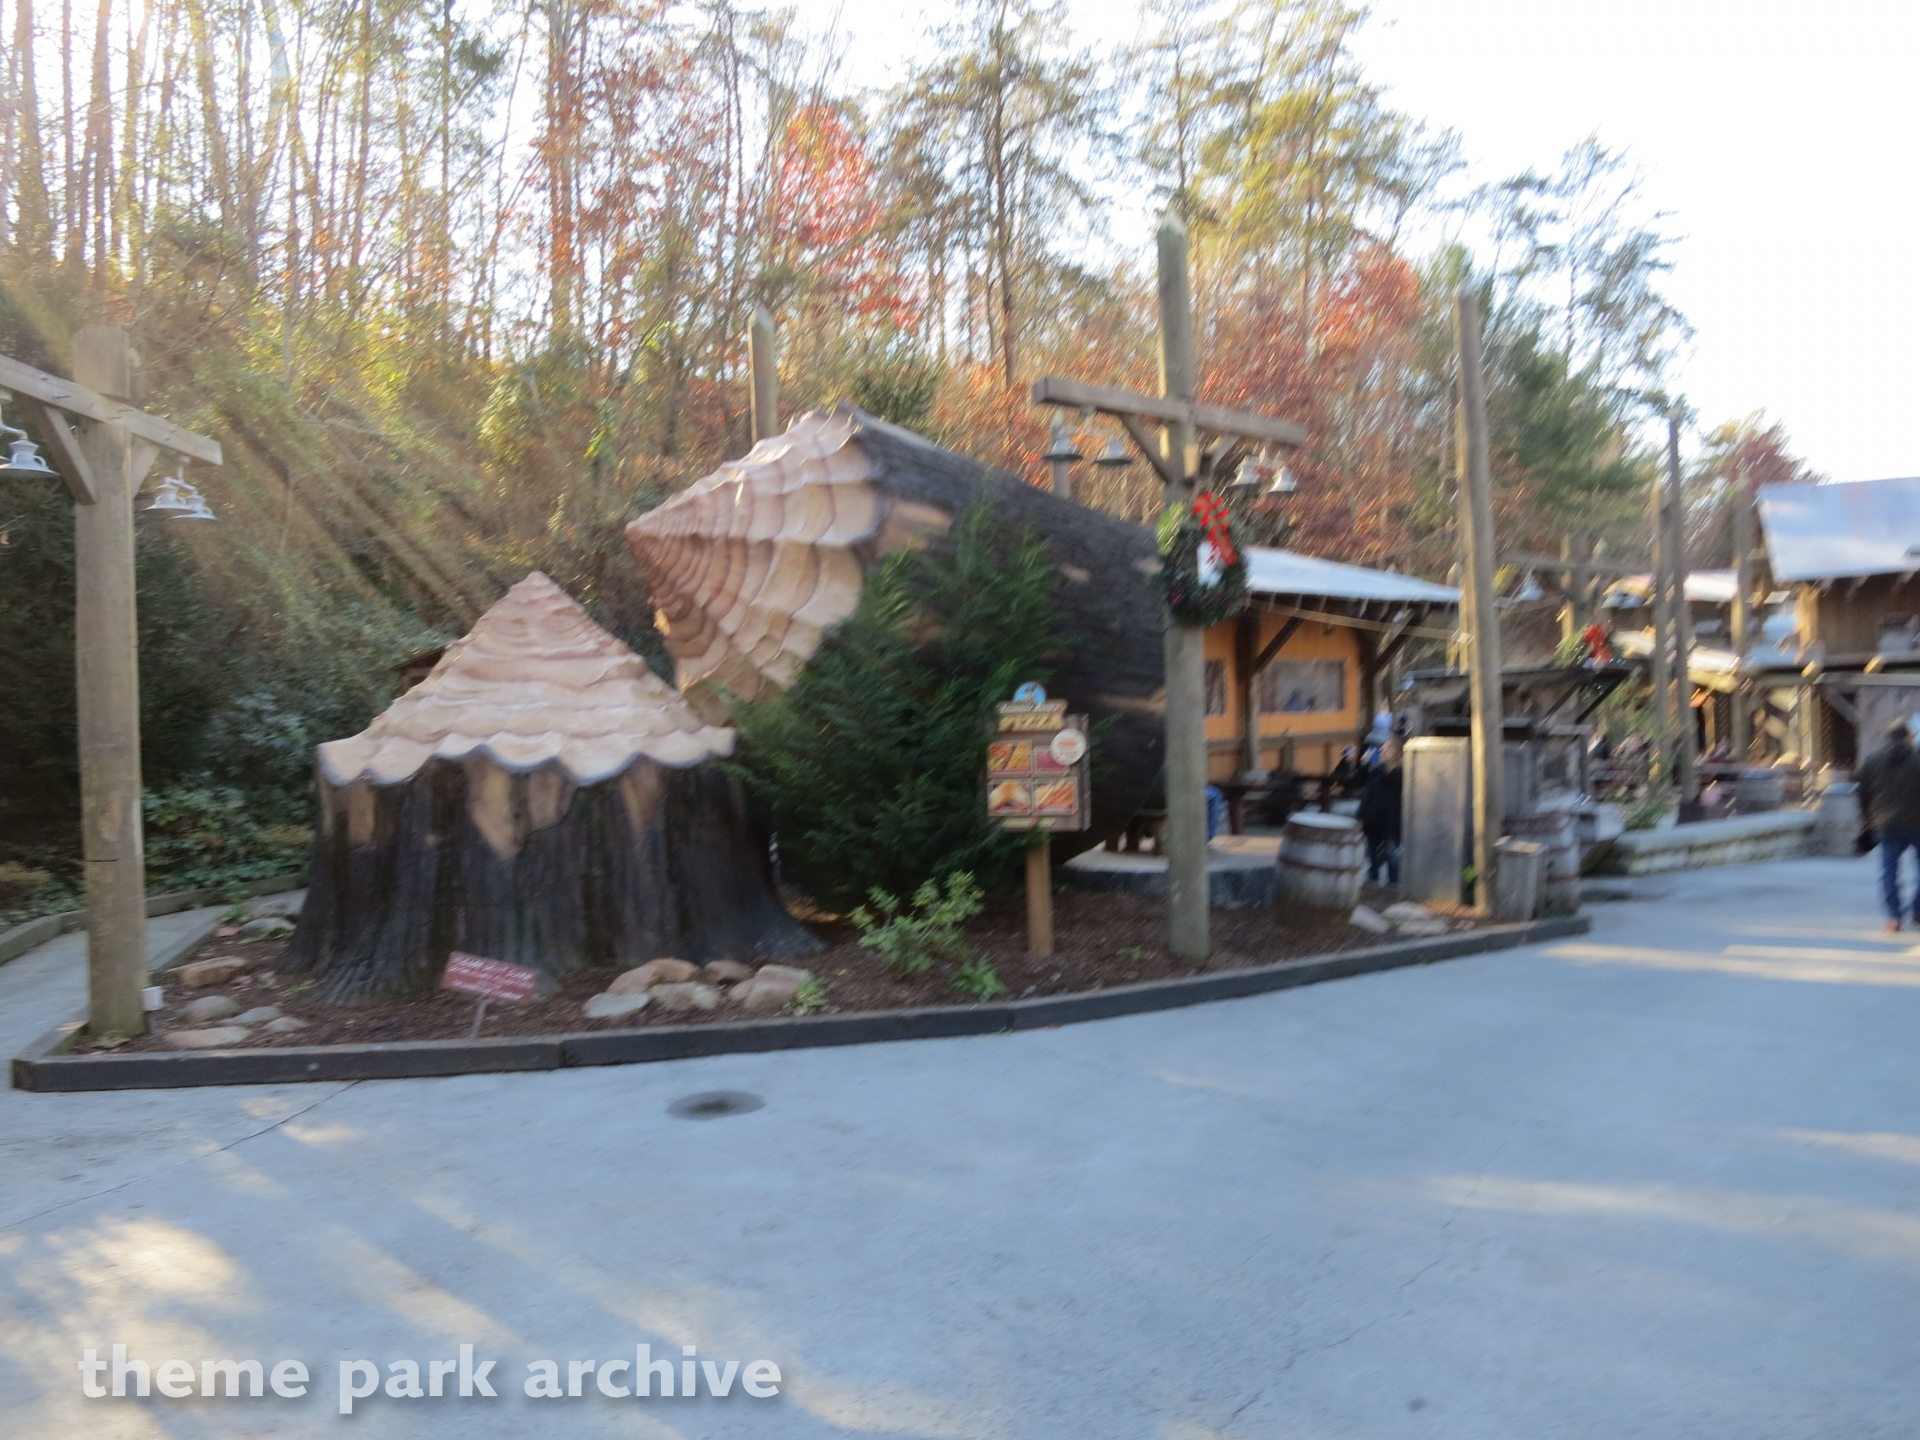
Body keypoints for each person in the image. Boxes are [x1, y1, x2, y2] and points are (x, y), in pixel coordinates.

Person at [1857, 716, 1920, 931]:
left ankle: (1894, 917)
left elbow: (1863, 795)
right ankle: (1918, 908)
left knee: (1889, 871)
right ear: (1909, 737)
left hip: (1886, 824)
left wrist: (1868, 821)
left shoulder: (1872, 760)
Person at [1358, 739, 1403, 886]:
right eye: (1382, 749)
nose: (1382, 752)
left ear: (1396, 753)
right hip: (1373, 819)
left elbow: (1391, 779)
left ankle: (1393, 884)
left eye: (1387, 749)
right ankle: (1373, 881)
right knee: (1372, 853)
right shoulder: (1377, 771)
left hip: (1390, 821)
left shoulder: (1399, 772)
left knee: (1392, 854)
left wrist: (1376, 767)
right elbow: (1359, 783)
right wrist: (1364, 765)